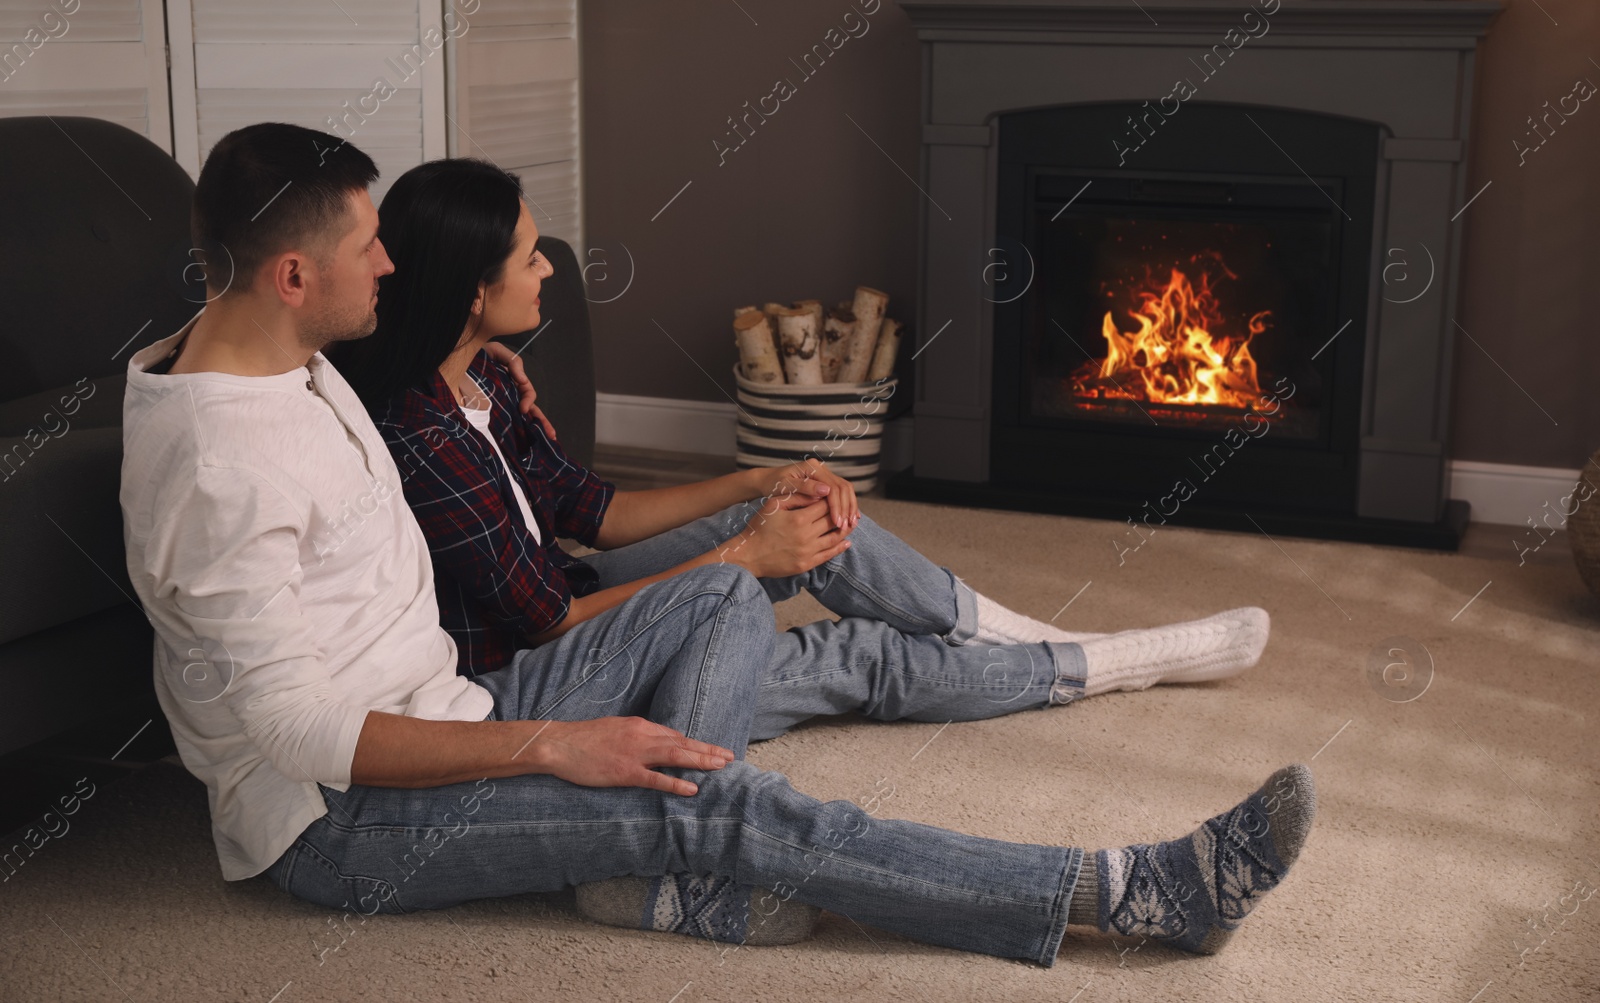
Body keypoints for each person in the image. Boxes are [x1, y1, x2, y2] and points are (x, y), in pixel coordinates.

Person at [119, 122, 1316, 966]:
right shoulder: (222, 465)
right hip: (343, 818)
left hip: (459, 700)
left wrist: (491, 361)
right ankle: (1130, 891)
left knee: (729, 603)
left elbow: (394, 381)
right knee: (725, 803)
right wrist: (560, 743)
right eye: (364, 247)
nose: (386, 262)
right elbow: (297, 732)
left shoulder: (274, 350)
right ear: (288, 274)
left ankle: (643, 877)